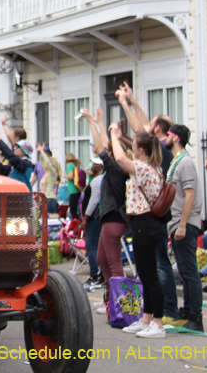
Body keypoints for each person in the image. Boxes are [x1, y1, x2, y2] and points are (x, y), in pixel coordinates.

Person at [116, 83, 178, 318]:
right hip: (150, 220)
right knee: (151, 270)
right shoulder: (155, 155)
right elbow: (141, 131)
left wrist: (125, 103)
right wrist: (131, 100)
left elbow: (139, 130)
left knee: (156, 269)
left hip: (149, 220)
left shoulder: (152, 159)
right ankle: (150, 317)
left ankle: (165, 311)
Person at [109, 123, 166, 338]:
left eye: (134, 147)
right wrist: (123, 137)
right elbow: (127, 155)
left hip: (145, 223)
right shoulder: (151, 166)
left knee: (150, 275)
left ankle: (158, 324)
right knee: (145, 273)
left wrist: (115, 136)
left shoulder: (143, 168)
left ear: (141, 151)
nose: (131, 150)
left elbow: (121, 159)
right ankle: (146, 319)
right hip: (144, 224)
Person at [82, 108, 130, 315]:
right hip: (109, 220)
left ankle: (120, 304)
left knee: (114, 262)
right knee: (102, 259)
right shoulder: (116, 169)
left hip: (113, 220)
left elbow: (101, 147)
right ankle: (111, 299)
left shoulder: (117, 169)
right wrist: (100, 123)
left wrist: (91, 122)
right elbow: (105, 146)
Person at [162, 124, 205, 331]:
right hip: (177, 222)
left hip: (184, 223)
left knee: (189, 271)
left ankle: (195, 315)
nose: (165, 139)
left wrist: (182, 225)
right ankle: (187, 311)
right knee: (185, 270)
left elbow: (190, 195)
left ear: (176, 138)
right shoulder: (176, 161)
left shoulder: (185, 162)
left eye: (168, 135)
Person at [82, 156, 104, 289]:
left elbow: (93, 201)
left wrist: (85, 218)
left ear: (101, 167)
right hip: (97, 218)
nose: (92, 165)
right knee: (97, 246)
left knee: (92, 246)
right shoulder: (98, 179)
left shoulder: (97, 181)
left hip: (94, 218)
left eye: (95, 164)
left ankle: (94, 275)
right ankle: (100, 275)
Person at [35, 143, 62, 214]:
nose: (44, 164)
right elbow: (42, 161)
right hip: (43, 200)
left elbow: (47, 162)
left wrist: (42, 151)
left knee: (50, 220)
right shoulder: (46, 173)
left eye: (46, 163)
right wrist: (40, 152)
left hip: (50, 200)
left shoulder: (53, 173)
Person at [65, 153, 83, 220]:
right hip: (76, 190)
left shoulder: (70, 165)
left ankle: (75, 222)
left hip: (73, 190)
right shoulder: (75, 165)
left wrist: (63, 175)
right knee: (74, 209)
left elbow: (70, 176)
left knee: (72, 210)